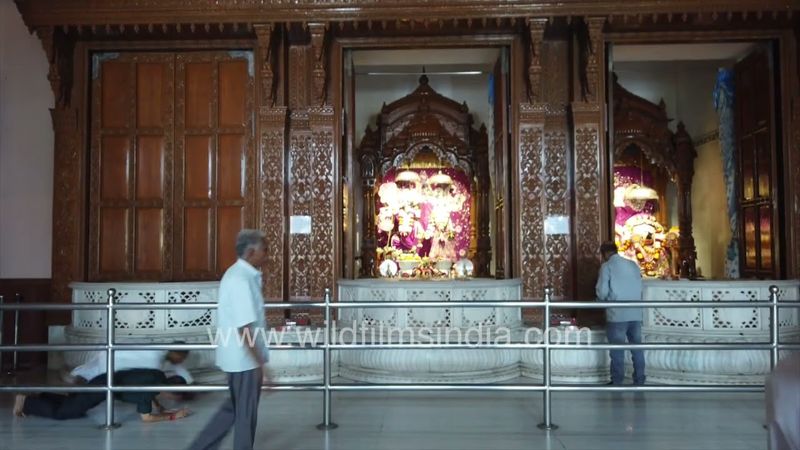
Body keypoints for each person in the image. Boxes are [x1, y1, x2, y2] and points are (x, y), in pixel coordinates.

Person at [187, 229, 272, 450]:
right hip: (244, 360)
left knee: (233, 410)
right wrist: (260, 363)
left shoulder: (240, 275)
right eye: (265, 249)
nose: (268, 254)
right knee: (243, 414)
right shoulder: (240, 279)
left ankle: (200, 446)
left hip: (240, 357)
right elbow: (244, 327)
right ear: (252, 251)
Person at [13, 348, 192, 422]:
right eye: (174, 394)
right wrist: (174, 416)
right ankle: (26, 403)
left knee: (77, 406)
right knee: (66, 413)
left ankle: (40, 397)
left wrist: (164, 410)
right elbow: (146, 419)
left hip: (103, 380)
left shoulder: (157, 376)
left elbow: (156, 403)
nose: (172, 398)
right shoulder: (150, 389)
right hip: (102, 387)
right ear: (170, 389)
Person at [596, 241, 646, 385]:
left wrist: (600, 299)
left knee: (617, 350)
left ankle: (617, 380)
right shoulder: (632, 264)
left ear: (604, 253)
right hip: (636, 313)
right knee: (637, 348)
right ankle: (639, 379)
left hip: (617, 315)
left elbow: (603, 291)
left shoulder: (607, 267)